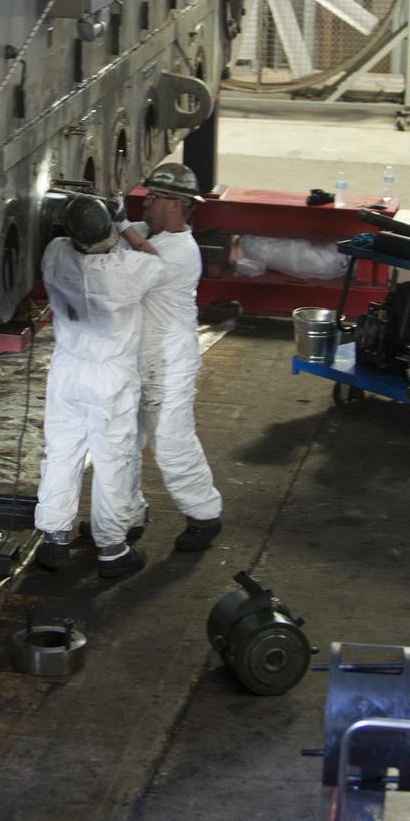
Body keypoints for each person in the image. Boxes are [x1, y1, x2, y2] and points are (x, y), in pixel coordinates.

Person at [35, 193, 166, 580]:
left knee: (61, 452)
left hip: (67, 369)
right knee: (113, 459)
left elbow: (65, 239)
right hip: (110, 377)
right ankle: (111, 547)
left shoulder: (56, 253)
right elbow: (160, 265)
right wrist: (125, 223)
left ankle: (54, 538)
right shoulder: (128, 267)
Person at [119, 163, 223, 552]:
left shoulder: (180, 251)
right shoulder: (149, 234)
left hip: (169, 365)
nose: (144, 204)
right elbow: (133, 238)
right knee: (125, 443)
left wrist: (116, 224)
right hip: (138, 360)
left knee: (171, 441)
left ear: (176, 205)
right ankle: (126, 516)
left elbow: (141, 263)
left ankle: (204, 514)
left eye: (153, 198)